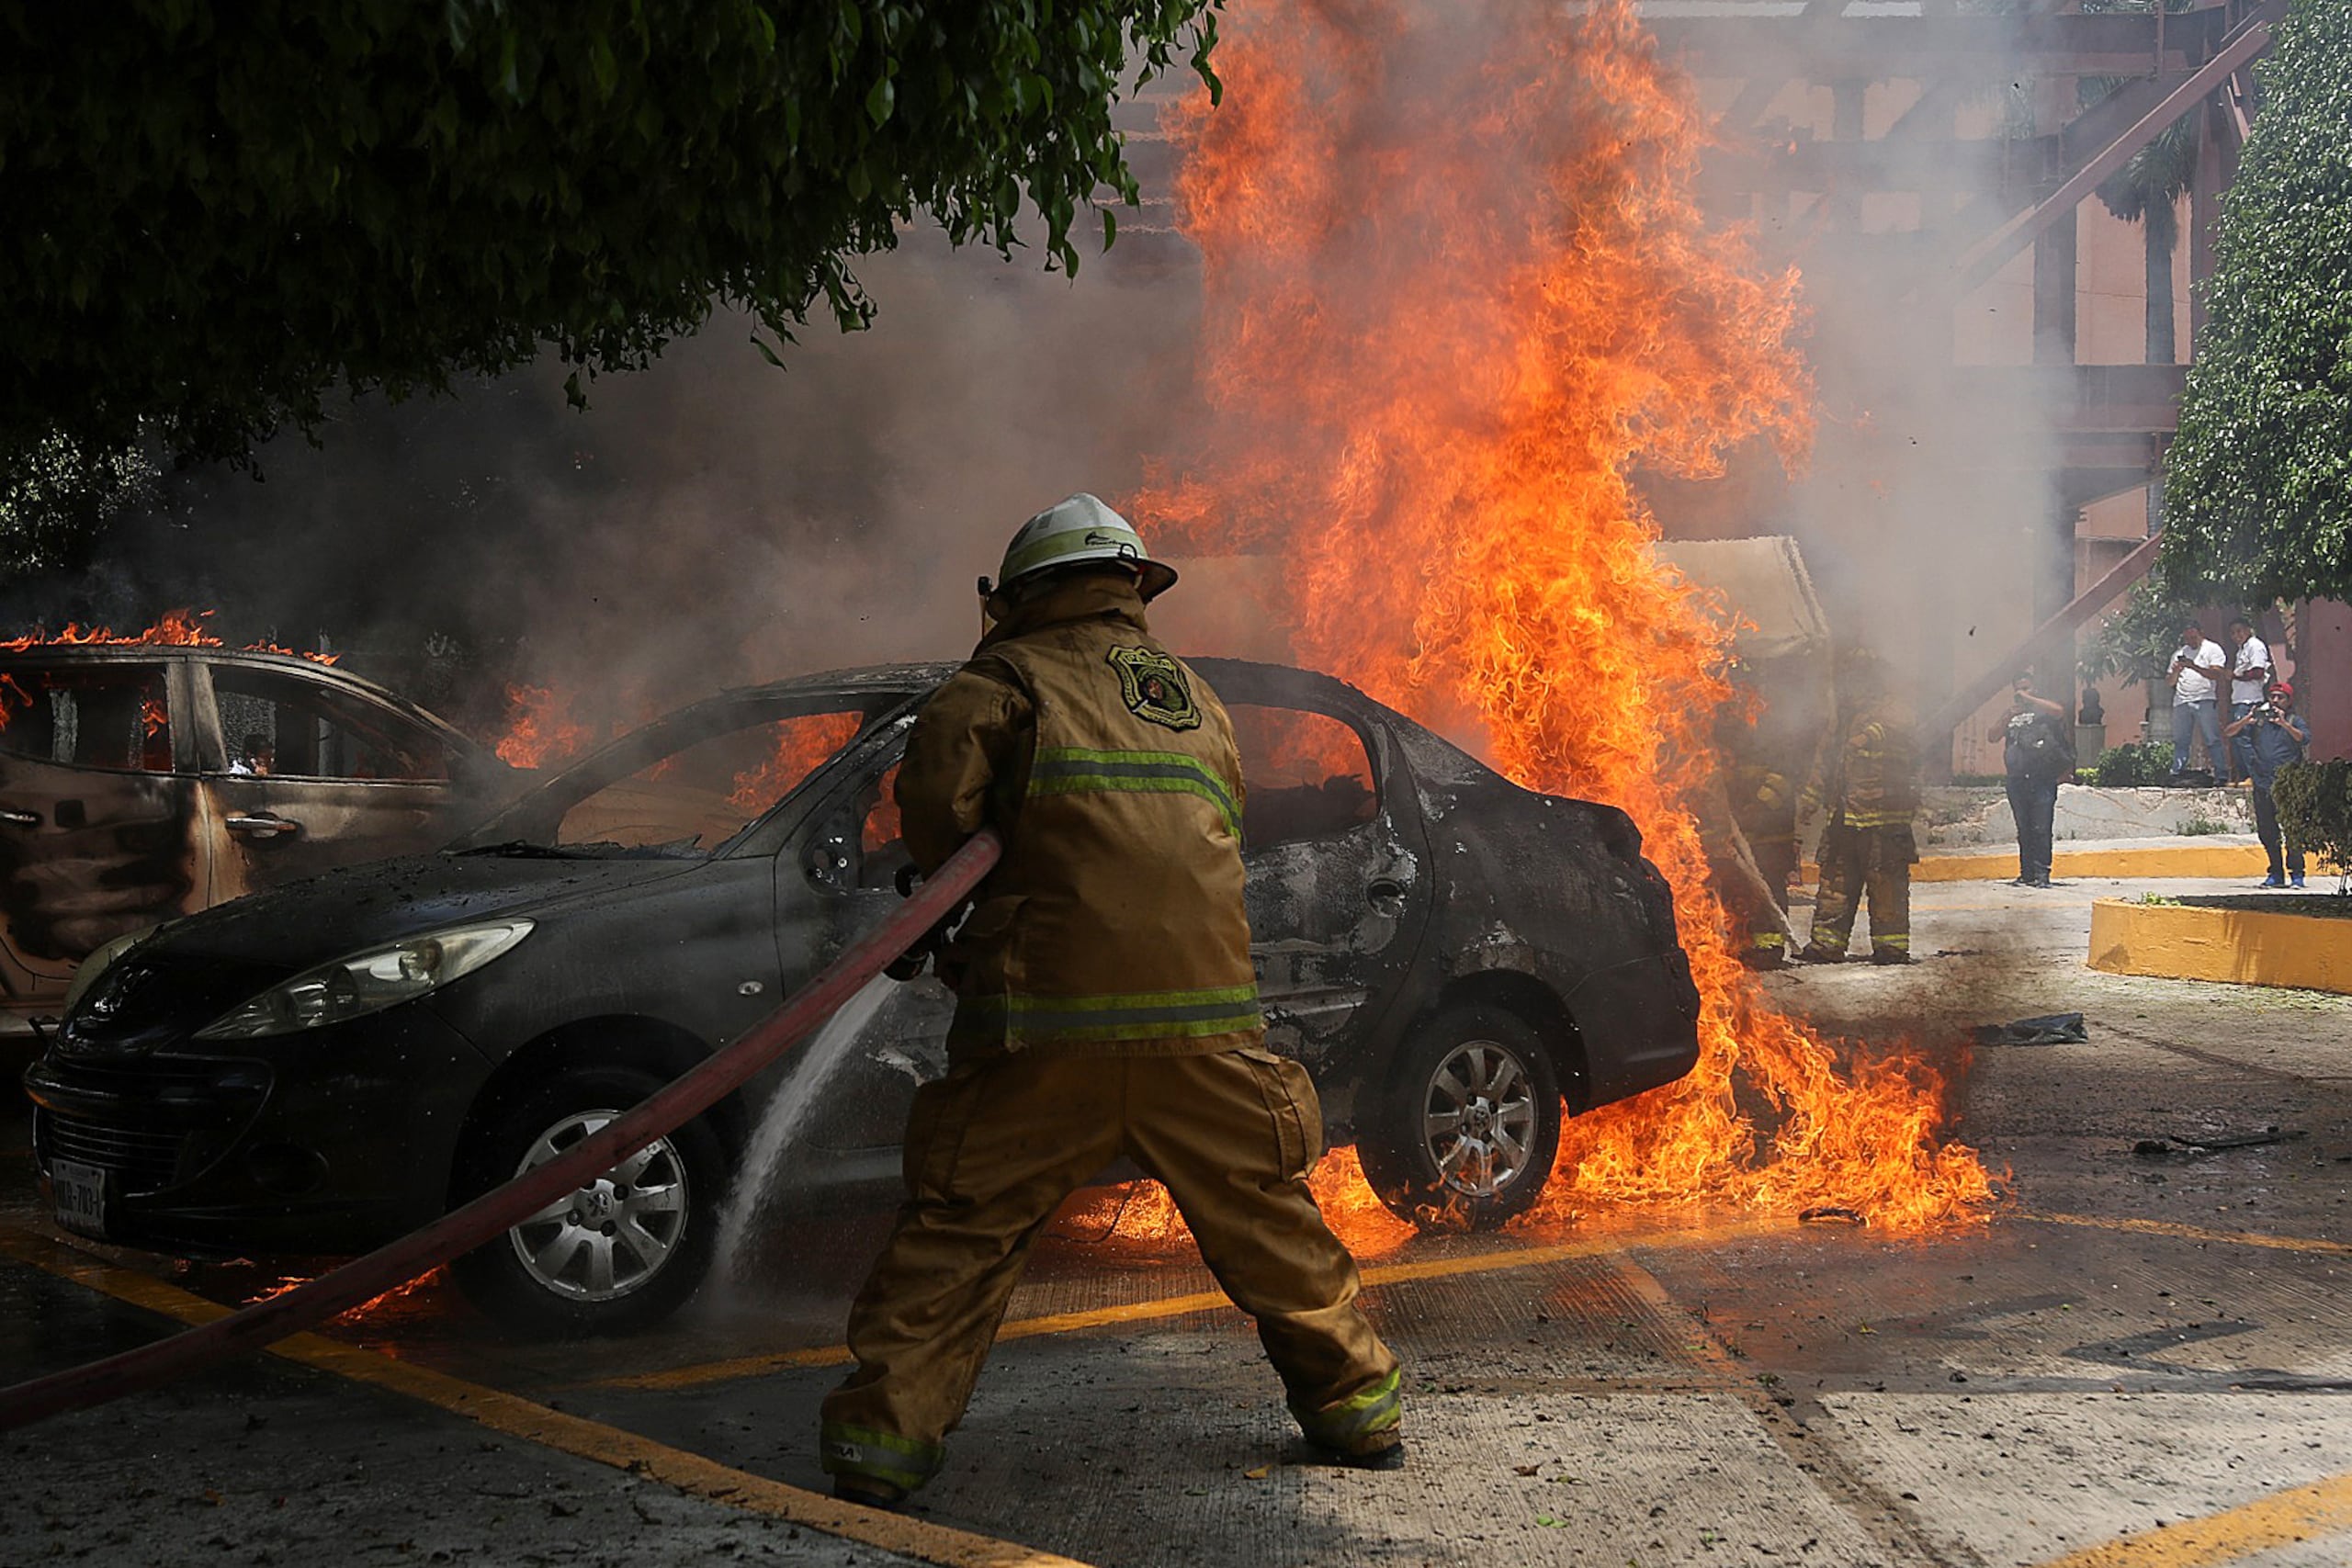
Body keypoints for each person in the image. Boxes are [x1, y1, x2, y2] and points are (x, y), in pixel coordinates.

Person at [818, 494, 1402, 1508]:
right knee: (1269, 1221)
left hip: (1043, 1034)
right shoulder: (1194, 697)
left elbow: (936, 819)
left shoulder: (997, 682)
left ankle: (881, 1451)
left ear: (1022, 594)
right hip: (1208, 1032)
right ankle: (1361, 1416)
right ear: (1132, 588)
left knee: (959, 1236)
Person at [1797, 649, 1919, 965]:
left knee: (1886, 885)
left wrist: (1867, 736)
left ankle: (1890, 948)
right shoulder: (1841, 721)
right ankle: (1826, 946)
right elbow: (1823, 764)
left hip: (1884, 820)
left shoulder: (1894, 710)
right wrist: (1810, 801)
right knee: (1836, 882)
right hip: (1844, 818)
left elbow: (1903, 727)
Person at [2223, 680, 2310, 888]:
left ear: (2289, 701)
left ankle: (2297, 874)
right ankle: (2276, 874)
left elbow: (2303, 738)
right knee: (2268, 831)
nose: (2276, 701)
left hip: (2288, 784)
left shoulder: (2294, 720)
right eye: (2273, 697)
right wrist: (2247, 720)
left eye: (2281, 697)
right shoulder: (2258, 723)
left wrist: (2284, 724)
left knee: (2292, 830)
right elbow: (2229, 732)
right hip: (2263, 784)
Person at [1994, 672, 2072, 888]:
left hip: (2042, 778)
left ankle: (2042, 873)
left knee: (2041, 827)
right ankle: (2026, 873)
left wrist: (2030, 700)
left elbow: (2059, 711)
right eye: (2018, 689)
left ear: (2035, 688)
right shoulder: (2011, 715)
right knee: (2024, 828)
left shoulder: (2044, 711)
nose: (2022, 693)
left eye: (2027, 688)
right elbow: (1992, 736)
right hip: (2017, 779)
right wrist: (2006, 716)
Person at [2165, 623, 2227, 783]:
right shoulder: (2179, 653)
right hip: (2182, 701)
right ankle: (2176, 773)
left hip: (2205, 699)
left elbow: (2216, 674)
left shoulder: (2212, 649)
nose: (2190, 641)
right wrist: (2176, 671)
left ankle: (2221, 775)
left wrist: (2193, 666)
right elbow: (2170, 682)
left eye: (2193, 637)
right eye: (2187, 638)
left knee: (2212, 739)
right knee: (2181, 740)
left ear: (2201, 633)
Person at [2223, 616, 2273, 784]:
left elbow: (2258, 672)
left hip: (2250, 700)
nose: (2236, 635)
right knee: (2237, 739)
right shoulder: (2241, 650)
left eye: (2239, 631)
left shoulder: (2255, 646)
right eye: (2232, 633)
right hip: (2239, 700)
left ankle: (2253, 775)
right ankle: (2244, 776)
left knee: (2244, 739)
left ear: (2248, 630)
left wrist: (2236, 676)